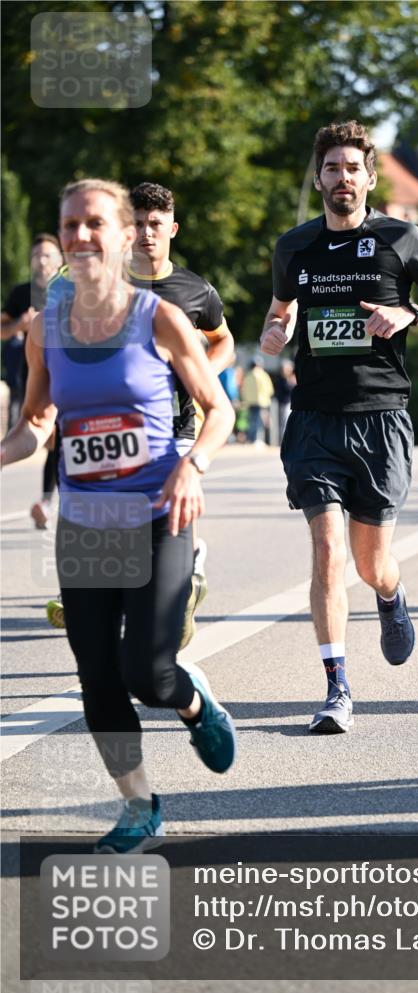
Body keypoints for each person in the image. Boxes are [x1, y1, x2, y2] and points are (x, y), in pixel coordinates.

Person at [0, 178, 237, 852]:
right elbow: (36, 424)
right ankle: (138, 807)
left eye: (94, 223)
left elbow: (218, 410)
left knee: (147, 672)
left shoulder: (158, 316)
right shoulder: (46, 328)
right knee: (97, 677)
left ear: (127, 234)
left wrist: (194, 466)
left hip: (160, 509)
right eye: (68, 223)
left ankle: (194, 703)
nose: (78, 236)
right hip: (85, 522)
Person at [260, 120, 418, 734]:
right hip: (315, 421)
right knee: (326, 552)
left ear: (370, 178)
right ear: (319, 178)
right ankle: (336, 687)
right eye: (332, 168)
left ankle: (389, 594)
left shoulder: (401, 238)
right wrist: (275, 333)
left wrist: (408, 314)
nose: (342, 178)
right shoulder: (293, 247)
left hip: (380, 421)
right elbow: (279, 318)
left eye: (353, 168)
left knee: (370, 562)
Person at [129, 182, 235, 645]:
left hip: (176, 426)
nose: (146, 234)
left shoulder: (196, 290)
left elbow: (224, 340)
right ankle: (183, 576)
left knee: (168, 516)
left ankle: (179, 588)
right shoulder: (108, 285)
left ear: (172, 228)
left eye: (155, 224)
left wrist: (201, 375)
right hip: (122, 428)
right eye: (137, 224)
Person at [1, 235, 64, 527]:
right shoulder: (21, 293)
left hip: (69, 375)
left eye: (48, 255)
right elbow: (2, 329)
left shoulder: (73, 290)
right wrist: (19, 325)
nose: (42, 260)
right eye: (37, 255)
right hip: (34, 374)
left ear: (60, 260)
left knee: (59, 437)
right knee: (50, 438)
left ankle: (52, 503)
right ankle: (50, 502)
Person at [241, 356, 274, 445]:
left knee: (252, 421)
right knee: (261, 422)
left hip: (250, 402)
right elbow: (270, 389)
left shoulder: (247, 375)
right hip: (262, 402)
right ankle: (258, 440)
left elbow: (243, 390)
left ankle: (251, 439)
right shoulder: (263, 375)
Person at [274, 358, 296, 443]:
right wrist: (292, 383)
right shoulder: (282, 380)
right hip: (285, 403)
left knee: (286, 422)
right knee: (284, 422)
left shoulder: (287, 379)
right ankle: (284, 440)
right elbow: (287, 389)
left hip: (288, 403)